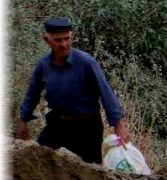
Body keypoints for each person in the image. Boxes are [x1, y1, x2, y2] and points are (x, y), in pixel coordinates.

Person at [17, 17, 129, 164]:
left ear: (72, 37)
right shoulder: (43, 65)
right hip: (57, 125)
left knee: (89, 172)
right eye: (58, 40)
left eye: (67, 39)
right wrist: (23, 119)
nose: (64, 44)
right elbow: (32, 94)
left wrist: (118, 125)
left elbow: (106, 93)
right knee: (41, 161)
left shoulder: (86, 62)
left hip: (87, 128)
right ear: (47, 40)